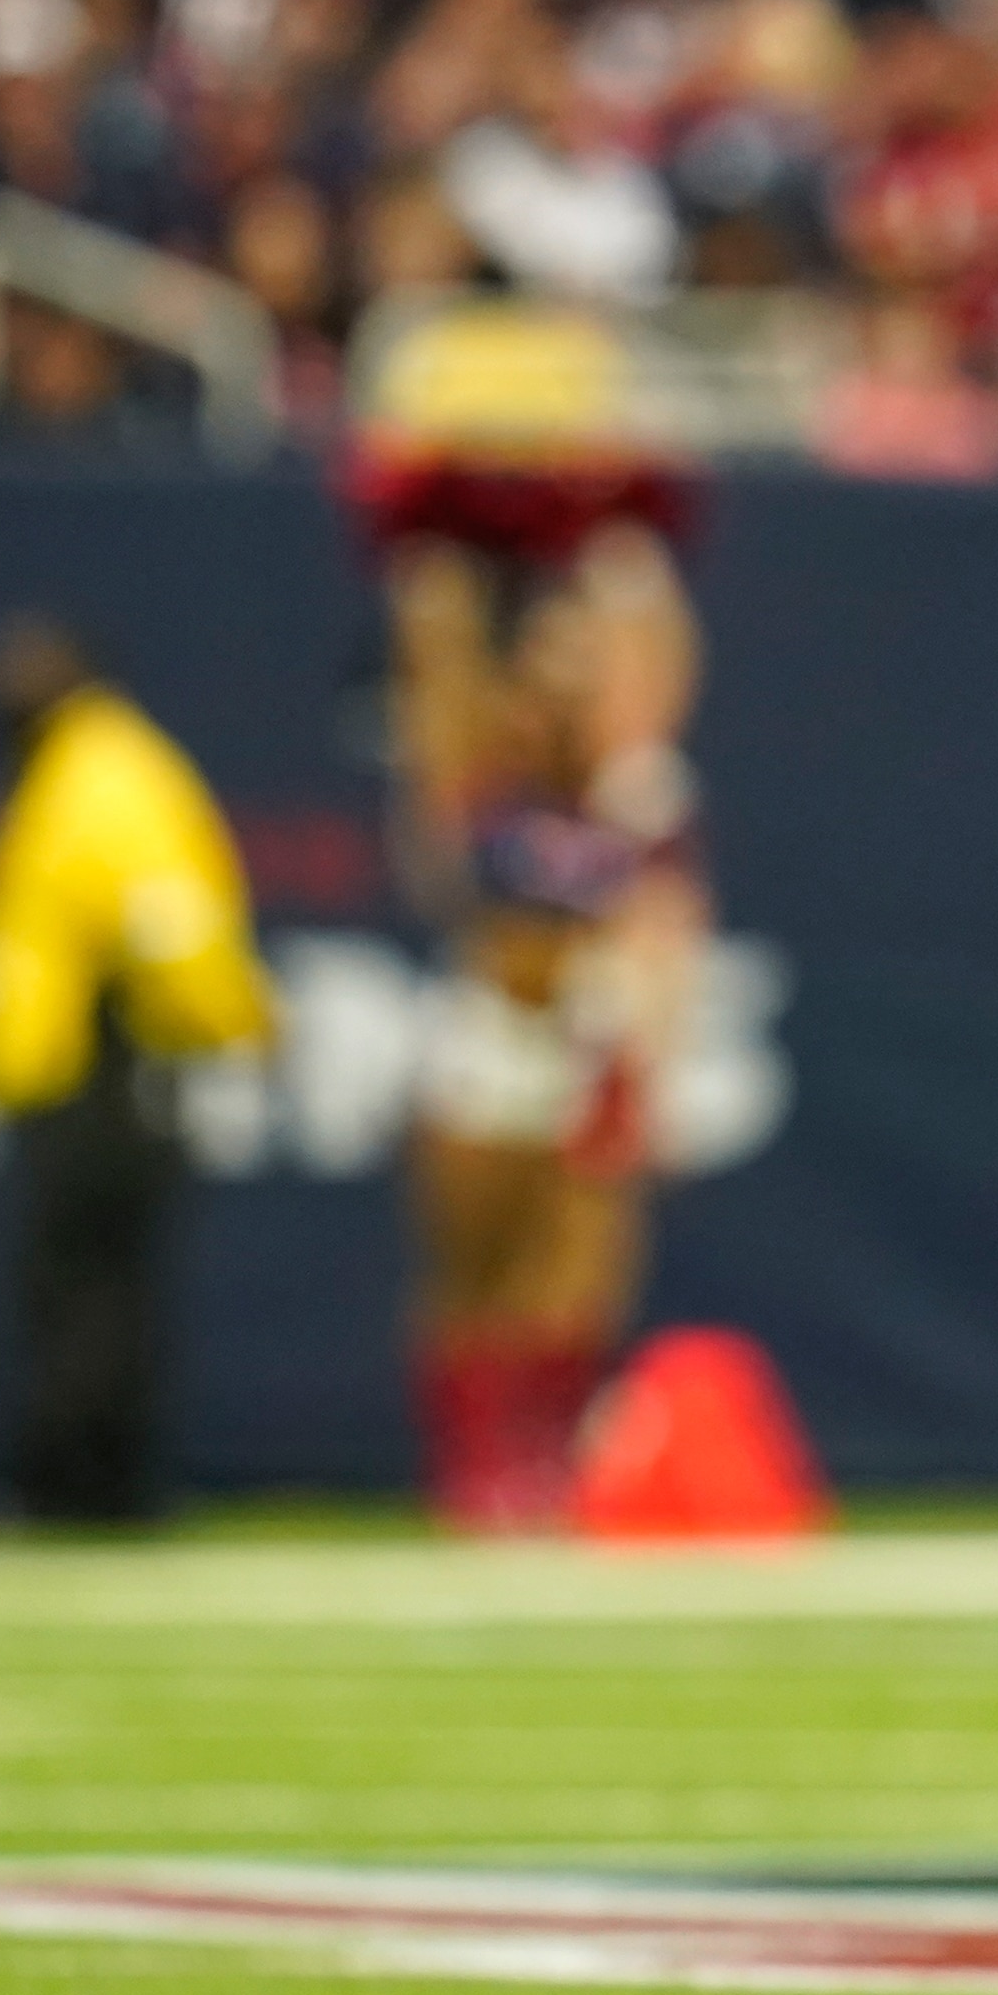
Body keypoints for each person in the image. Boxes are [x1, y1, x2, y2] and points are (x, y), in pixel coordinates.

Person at [363, 439, 707, 1530]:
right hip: (492, 1037)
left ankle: (548, 1464)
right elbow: (437, 659)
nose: (563, 683)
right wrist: (431, 558)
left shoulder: (636, 792)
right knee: (472, 1270)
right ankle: (473, 1470)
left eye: (582, 664)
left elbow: (659, 676)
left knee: (577, 1277)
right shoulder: (475, 775)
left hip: (586, 1040)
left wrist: (629, 564)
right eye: (547, 659)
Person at [0, 614, 275, 1527]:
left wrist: (222, 1018)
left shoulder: (106, 773)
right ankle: (92, 1482)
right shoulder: (75, 768)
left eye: (30, 662)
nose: (7, 679)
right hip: (77, 1064)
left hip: (110, 1063)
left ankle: (81, 1483)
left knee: (88, 1288)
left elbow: (169, 922)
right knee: (84, 1285)